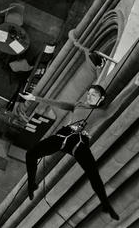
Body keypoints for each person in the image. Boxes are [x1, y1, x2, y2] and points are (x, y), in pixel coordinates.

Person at [21, 84, 118, 220]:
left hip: (79, 142)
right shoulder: (78, 105)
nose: (89, 97)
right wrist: (34, 98)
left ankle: (106, 204)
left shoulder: (103, 113)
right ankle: (32, 184)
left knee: (93, 173)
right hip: (64, 135)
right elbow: (59, 103)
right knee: (30, 154)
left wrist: (136, 84)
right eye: (88, 94)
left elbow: (117, 103)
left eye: (93, 95)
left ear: (101, 98)